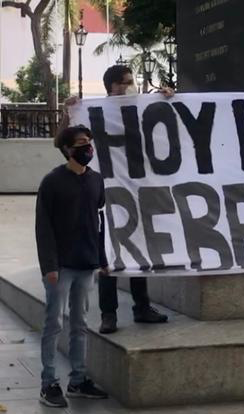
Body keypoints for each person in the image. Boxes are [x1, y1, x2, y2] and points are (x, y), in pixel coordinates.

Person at [59, 65, 174, 334]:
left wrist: (171, 99)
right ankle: (108, 314)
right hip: (106, 195)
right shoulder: (93, 113)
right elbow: (61, 142)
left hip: (137, 192)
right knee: (108, 254)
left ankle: (142, 307)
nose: (131, 86)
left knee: (138, 250)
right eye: (126, 82)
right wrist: (68, 112)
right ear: (112, 86)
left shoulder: (142, 107)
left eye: (132, 81)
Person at [36, 126, 109, 407]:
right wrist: (49, 266)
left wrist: (101, 259)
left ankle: (78, 380)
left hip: (86, 264)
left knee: (80, 324)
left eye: (89, 142)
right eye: (81, 143)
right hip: (60, 267)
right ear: (67, 149)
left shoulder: (96, 181)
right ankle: (48, 383)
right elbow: (43, 227)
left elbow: (98, 222)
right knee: (53, 323)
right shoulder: (52, 181)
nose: (87, 147)